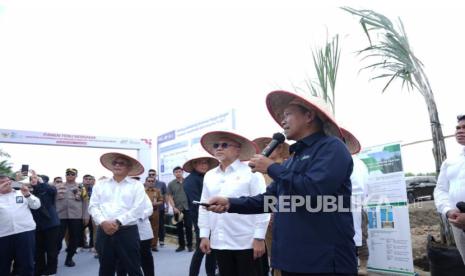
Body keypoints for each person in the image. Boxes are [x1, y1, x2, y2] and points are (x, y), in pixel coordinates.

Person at [206, 90, 356, 275]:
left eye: (287, 114)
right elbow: (271, 200)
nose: (282, 121)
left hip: (324, 260)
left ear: (309, 115)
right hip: (291, 260)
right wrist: (230, 203)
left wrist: (271, 168)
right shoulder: (293, 159)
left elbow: (315, 191)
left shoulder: (332, 147)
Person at [198, 131, 270, 276]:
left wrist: (259, 237)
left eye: (224, 145)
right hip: (220, 241)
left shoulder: (252, 173)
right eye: (216, 145)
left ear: (238, 149)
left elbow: (263, 205)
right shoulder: (209, 175)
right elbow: (204, 206)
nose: (219, 148)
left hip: (246, 241)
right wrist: (204, 235)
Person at [88, 152, 147, 276]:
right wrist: (103, 222)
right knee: (105, 268)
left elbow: (138, 209)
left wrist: (118, 221)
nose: (117, 165)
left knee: (133, 268)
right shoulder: (100, 184)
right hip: (103, 232)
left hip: (127, 231)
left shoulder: (137, 186)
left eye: (122, 163)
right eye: (115, 163)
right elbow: (93, 206)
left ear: (129, 168)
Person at [253, 137, 290, 276]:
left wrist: (274, 212)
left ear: (280, 148)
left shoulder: (286, 167)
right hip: (264, 218)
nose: (266, 148)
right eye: (264, 146)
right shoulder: (259, 171)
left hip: (283, 217)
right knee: (271, 257)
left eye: (270, 145)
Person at [434, 114, 465, 263]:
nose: (459, 130)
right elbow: (440, 190)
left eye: (464, 127)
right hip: (458, 224)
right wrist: (448, 210)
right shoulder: (450, 162)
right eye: (458, 128)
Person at [183, 151, 219, 276]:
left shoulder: (209, 177)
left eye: (206, 162)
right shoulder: (190, 180)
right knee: (201, 250)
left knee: (211, 251)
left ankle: (211, 273)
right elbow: (198, 203)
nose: (204, 165)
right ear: (194, 164)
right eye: (200, 163)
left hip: (214, 217)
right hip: (201, 220)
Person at [341, 127, 370, 276]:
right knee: (354, 238)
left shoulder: (354, 162)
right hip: (346, 206)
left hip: (352, 206)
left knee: (359, 237)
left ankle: (362, 266)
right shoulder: (356, 162)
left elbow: (360, 187)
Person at [0, 173, 41, 276]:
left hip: (25, 232)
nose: (5, 185)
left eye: (6, 182)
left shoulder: (21, 193)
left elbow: (36, 205)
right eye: (1, 183)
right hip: (3, 235)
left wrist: (27, 195)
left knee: (27, 264)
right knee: (3, 265)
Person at [116, 181, 154, 276]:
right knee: (122, 259)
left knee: (145, 257)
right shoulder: (118, 194)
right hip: (123, 231)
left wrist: (135, 216)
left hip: (142, 231)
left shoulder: (142, 194)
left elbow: (149, 209)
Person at [55, 168, 89, 267]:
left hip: (76, 216)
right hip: (60, 216)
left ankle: (69, 258)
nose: (70, 175)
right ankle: (54, 259)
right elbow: (53, 201)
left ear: (76, 176)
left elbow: (86, 202)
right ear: (65, 175)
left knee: (74, 238)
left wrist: (86, 216)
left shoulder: (81, 187)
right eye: (68, 174)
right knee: (57, 238)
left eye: (72, 174)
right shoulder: (57, 186)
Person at [30, 171, 61, 276]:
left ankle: (51, 269)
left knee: (51, 249)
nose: (34, 180)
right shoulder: (29, 191)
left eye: (36, 179)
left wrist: (41, 182)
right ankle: (39, 268)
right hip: (36, 224)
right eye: (32, 179)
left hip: (51, 224)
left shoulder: (48, 190)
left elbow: (52, 190)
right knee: (38, 249)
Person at [167, 166, 193, 252]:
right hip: (177, 209)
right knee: (179, 228)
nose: (178, 173)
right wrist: (173, 207)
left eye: (179, 171)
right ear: (174, 174)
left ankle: (190, 245)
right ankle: (181, 246)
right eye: (176, 172)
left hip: (188, 208)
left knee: (189, 227)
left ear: (182, 172)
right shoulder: (171, 184)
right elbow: (169, 196)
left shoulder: (188, 182)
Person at [148, 169, 167, 248]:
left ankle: (161, 240)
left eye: (153, 174)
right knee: (148, 226)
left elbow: (165, 195)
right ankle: (148, 243)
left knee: (160, 225)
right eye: (150, 174)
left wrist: (167, 206)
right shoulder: (144, 186)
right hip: (147, 211)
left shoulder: (162, 184)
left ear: (156, 175)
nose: (151, 176)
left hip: (159, 208)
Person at [144, 176, 163, 251]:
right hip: (145, 212)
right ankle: (145, 245)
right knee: (145, 228)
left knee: (155, 229)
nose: (151, 182)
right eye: (149, 181)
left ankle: (154, 245)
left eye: (152, 181)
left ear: (154, 182)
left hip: (154, 212)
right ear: (146, 182)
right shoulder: (142, 191)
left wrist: (156, 204)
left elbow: (161, 201)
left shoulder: (157, 191)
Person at [82, 174, 95, 249]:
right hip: (81, 213)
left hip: (92, 213)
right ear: (83, 180)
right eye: (86, 179)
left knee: (92, 229)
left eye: (90, 179)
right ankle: (83, 243)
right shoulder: (79, 188)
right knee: (81, 229)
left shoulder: (95, 189)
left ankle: (92, 244)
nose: (88, 180)